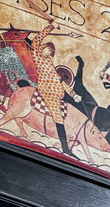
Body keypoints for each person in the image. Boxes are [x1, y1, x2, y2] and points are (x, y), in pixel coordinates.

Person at [29, 19, 83, 157]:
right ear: (43, 47)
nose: (50, 52)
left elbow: (60, 81)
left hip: (58, 93)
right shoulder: (37, 57)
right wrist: (51, 27)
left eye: (51, 51)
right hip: (48, 92)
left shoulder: (49, 63)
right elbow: (35, 41)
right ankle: (65, 149)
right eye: (48, 49)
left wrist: (73, 94)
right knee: (58, 119)